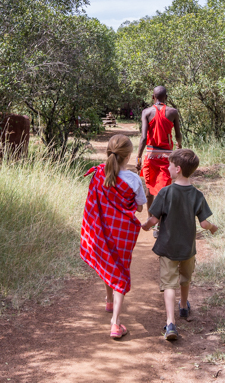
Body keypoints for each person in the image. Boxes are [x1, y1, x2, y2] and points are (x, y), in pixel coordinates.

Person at [141, 149, 218, 341]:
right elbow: (203, 223)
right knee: (185, 277)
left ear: (178, 169)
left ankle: (170, 323)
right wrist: (213, 228)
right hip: (187, 248)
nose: (167, 168)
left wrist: (143, 226)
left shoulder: (165, 192)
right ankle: (183, 306)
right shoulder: (197, 195)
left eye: (169, 165)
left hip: (167, 247)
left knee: (169, 283)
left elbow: (153, 219)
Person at [81, 134, 147, 339]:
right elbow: (139, 207)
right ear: (128, 156)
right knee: (120, 270)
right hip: (122, 233)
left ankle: (109, 301)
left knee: (109, 264)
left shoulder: (100, 174)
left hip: (101, 231)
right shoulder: (134, 179)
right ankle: (116, 324)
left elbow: (92, 204)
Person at [136, 86, 182, 234]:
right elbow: (178, 134)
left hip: (150, 155)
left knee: (150, 189)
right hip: (167, 156)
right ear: (166, 97)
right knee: (164, 190)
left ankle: (151, 219)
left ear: (152, 97)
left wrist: (138, 157)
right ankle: (159, 224)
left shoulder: (146, 112)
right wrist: (179, 147)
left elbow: (143, 138)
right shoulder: (173, 112)